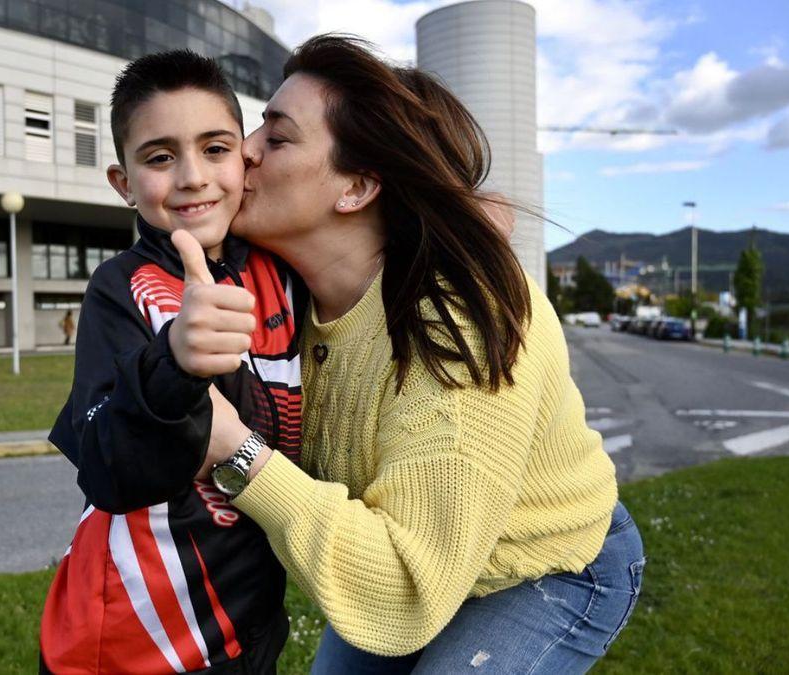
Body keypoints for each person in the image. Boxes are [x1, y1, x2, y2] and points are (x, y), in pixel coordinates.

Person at [170, 35, 644, 673]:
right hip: (409, 557)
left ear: (358, 187)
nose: (244, 150)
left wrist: (238, 456)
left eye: (276, 138)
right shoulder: (271, 292)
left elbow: (399, 587)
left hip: (548, 565)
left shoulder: (458, 324)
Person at [38, 50, 304, 674]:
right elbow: (107, 468)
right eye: (159, 157)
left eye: (215, 148)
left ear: (246, 156)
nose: (191, 176)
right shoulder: (119, 288)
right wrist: (173, 368)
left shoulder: (283, 268)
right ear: (123, 183)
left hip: (248, 619)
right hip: (132, 641)